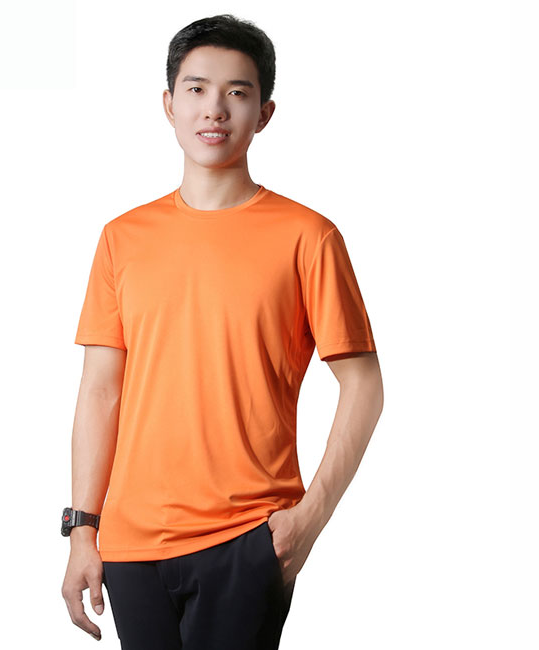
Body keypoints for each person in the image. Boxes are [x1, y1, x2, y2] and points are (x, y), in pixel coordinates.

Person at [61, 13, 384, 649]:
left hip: (247, 536)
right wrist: (82, 529)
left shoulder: (308, 236)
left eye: (237, 92)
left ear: (264, 113)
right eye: (197, 88)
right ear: (169, 104)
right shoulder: (122, 238)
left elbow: (364, 384)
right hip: (130, 546)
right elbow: (101, 391)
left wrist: (309, 519)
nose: (214, 108)